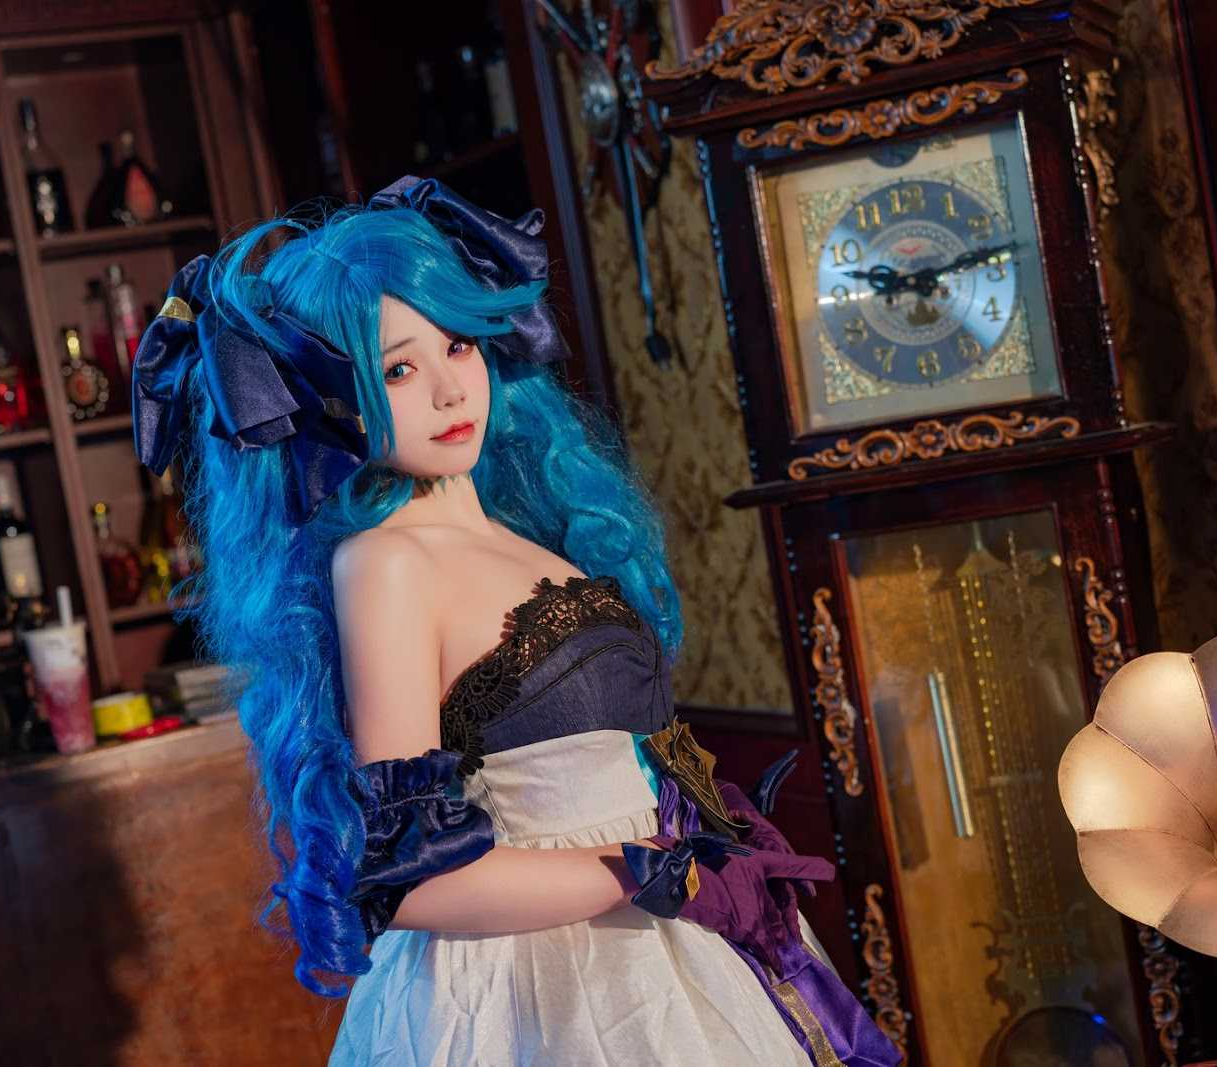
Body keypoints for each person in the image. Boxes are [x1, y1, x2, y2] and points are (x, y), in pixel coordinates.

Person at [131, 175, 902, 1066]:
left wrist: (690, 859)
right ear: (335, 395)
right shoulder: (385, 563)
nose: (448, 390)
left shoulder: (525, 536)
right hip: (539, 989)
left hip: (664, 947)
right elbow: (406, 882)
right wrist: (639, 870)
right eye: (398, 368)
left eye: (457, 344)